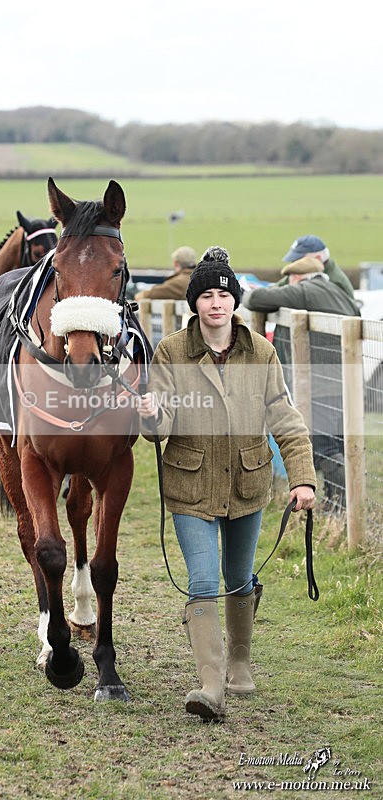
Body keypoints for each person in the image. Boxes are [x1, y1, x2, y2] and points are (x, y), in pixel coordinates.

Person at [137, 246, 316, 723]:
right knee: (202, 579)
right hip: (190, 486)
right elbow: (159, 425)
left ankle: (238, 664)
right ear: (194, 302)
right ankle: (210, 685)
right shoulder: (171, 351)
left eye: (224, 294)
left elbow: (287, 419)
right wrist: (152, 413)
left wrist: (302, 479)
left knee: (239, 578)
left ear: (234, 301)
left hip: (247, 484)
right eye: (207, 295)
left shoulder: (262, 352)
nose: (216, 303)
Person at [242, 256, 360, 510]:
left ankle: (338, 506)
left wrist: (278, 287)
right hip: (345, 380)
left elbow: (255, 299)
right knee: (337, 441)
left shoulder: (306, 290)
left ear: (296, 278)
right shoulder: (339, 291)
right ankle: (339, 503)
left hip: (321, 383)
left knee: (325, 445)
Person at [280, 234, 355, 298]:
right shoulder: (302, 273)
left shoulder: (335, 282)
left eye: (299, 260)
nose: (295, 264)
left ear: (318, 259)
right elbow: (278, 288)